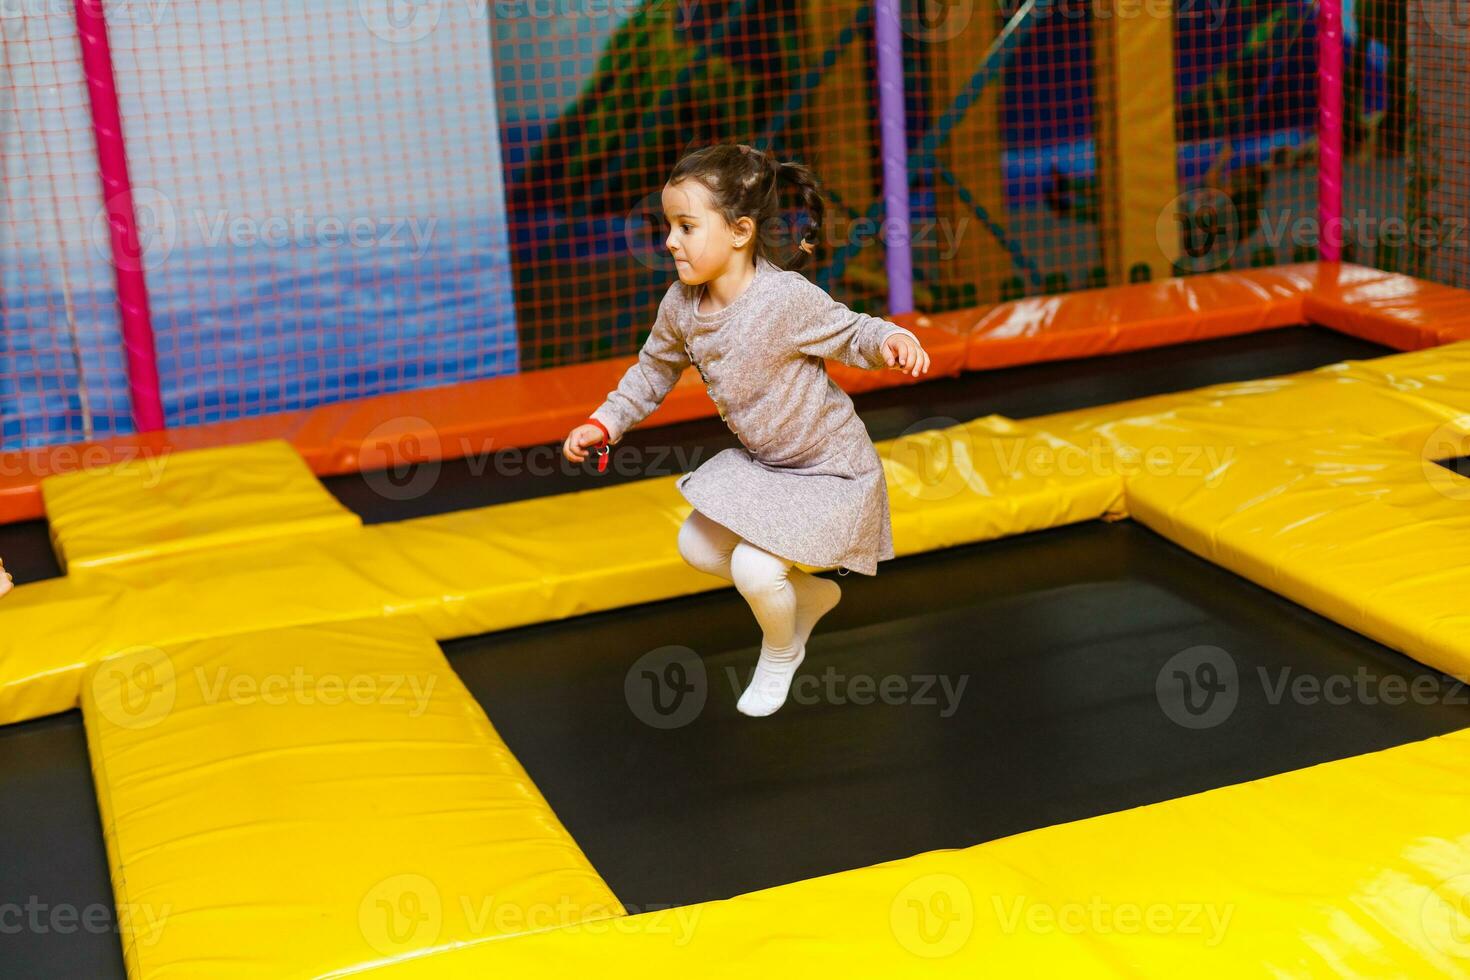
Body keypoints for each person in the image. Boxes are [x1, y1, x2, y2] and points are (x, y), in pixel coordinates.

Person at [563, 142, 930, 717]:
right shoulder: (681, 306)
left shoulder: (782, 298)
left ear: (739, 232)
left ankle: (782, 651)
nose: (669, 242)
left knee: (755, 569)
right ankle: (808, 598)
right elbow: (652, 371)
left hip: (832, 471)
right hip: (771, 467)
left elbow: (851, 331)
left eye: (686, 226)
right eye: (669, 227)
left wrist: (891, 340)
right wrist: (604, 421)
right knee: (696, 545)